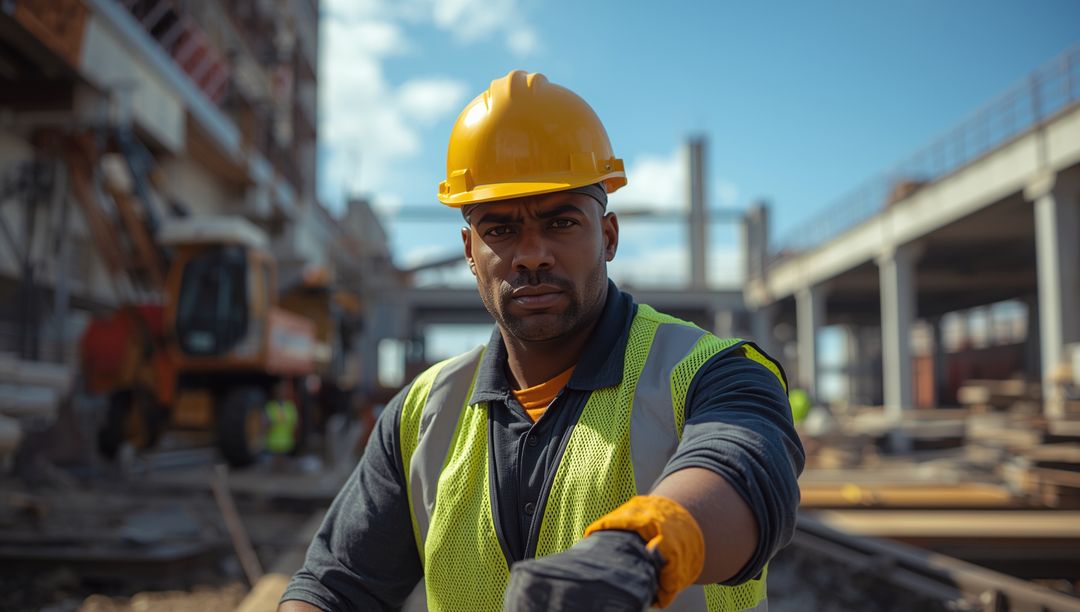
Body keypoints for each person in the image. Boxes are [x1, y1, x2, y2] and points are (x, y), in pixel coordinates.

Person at [280, 70, 803, 612]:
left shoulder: (710, 372)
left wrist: (641, 550)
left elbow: (748, 471)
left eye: (560, 222)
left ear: (608, 236)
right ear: (468, 251)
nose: (531, 254)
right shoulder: (422, 414)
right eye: (500, 229)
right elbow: (336, 587)